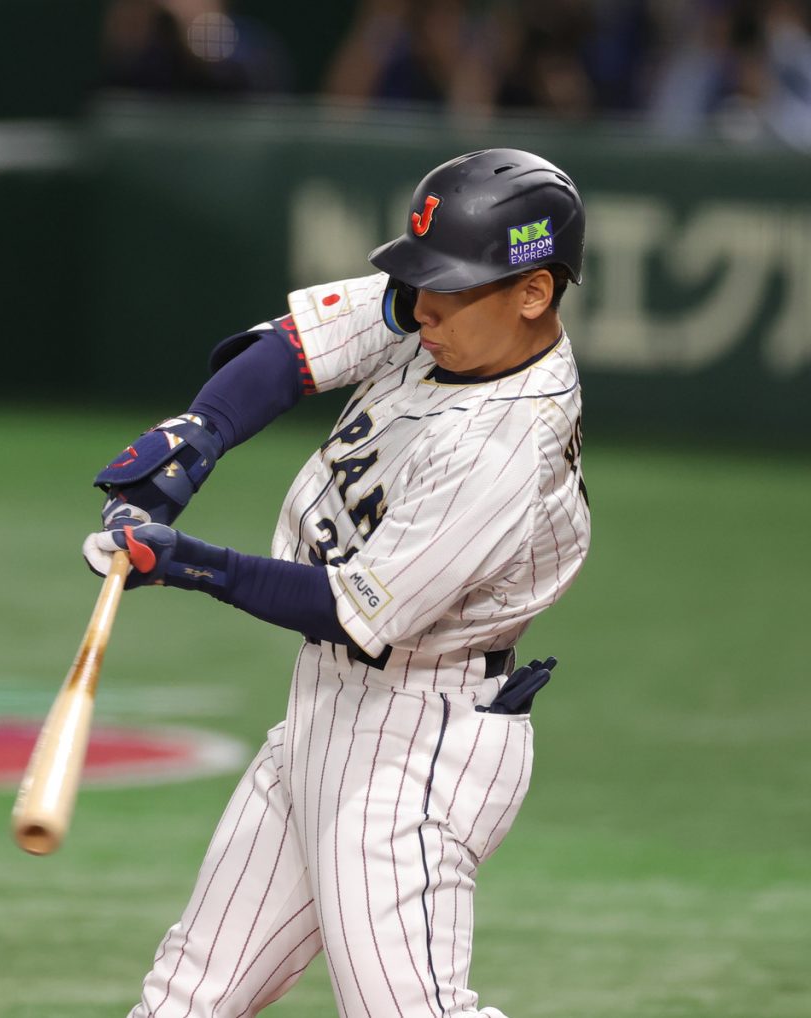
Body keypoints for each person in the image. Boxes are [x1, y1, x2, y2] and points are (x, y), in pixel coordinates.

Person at [83, 147, 591, 1018]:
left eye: (449, 287)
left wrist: (187, 562)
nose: (420, 308)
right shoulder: (449, 322)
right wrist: (197, 438)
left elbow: (353, 614)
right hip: (329, 710)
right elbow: (291, 349)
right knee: (186, 1001)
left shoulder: (507, 444)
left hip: (419, 739)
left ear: (533, 293)